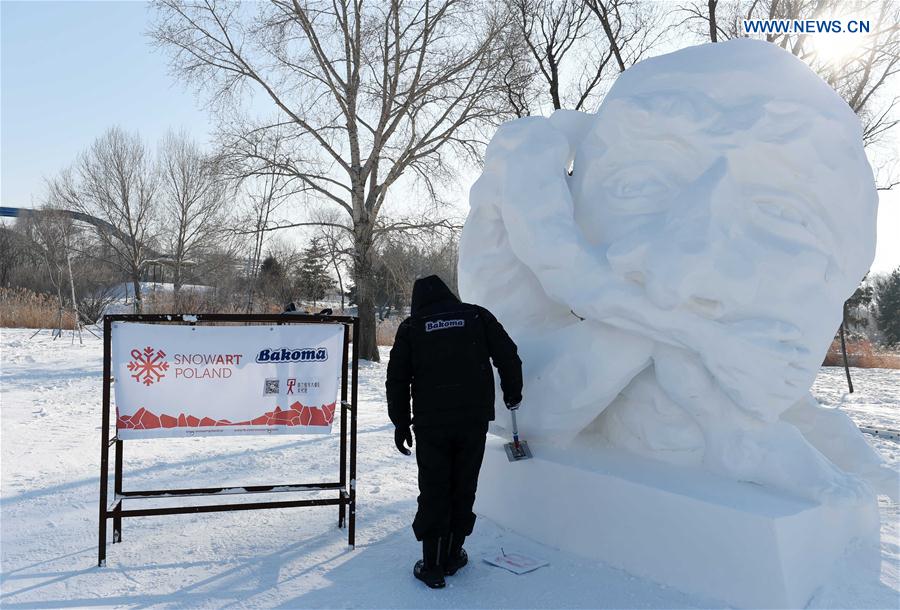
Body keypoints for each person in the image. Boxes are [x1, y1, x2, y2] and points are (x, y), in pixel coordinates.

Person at [386, 274, 523, 589]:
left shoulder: (412, 327)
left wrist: (401, 421)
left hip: (431, 422)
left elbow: (397, 378)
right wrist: (512, 392)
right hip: (472, 418)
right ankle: (453, 553)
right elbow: (508, 354)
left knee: (435, 486)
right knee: (464, 483)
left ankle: (432, 565)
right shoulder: (476, 315)